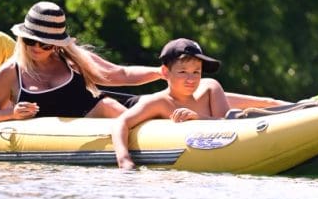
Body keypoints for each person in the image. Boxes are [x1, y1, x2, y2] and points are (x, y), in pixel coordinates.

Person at [111, 37, 289, 170]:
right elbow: (121, 123)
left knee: (267, 103)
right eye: (183, 72)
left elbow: (228, 125)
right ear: (165, 72)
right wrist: (124, 160)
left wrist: (198, 117)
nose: (191, 79)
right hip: (131, 104)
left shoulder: (210, 88)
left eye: (196, 72)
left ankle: (295, 106)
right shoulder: (159, 102)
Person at [0, 1, 164, 124]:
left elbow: (121, 74)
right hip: (61, 136)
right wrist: (12, 113)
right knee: (109, 106)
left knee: (124, 104)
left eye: (44, 44)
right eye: (30, 40)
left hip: (103, 111)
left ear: (56, 44)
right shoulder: (10, 71)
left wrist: (160, 72)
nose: (36, 47)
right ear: (21, 38)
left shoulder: (73, 59)